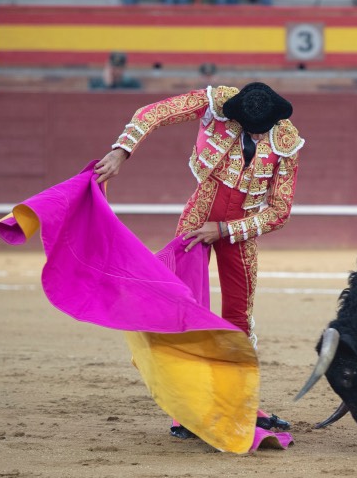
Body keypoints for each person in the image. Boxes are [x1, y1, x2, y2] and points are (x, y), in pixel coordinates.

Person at [93, 82, 305, 435]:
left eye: (262, 127)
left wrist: (223, 230)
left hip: (240, 231)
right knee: (183, 311)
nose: (256, 133)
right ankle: (185, 407)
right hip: (197, 219)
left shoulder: (286, 140)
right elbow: (154, 113)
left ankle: (240, 401)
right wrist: (121, 151)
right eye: (251, 126)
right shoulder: (216, 105)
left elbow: (279, 212)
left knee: (239, 318)